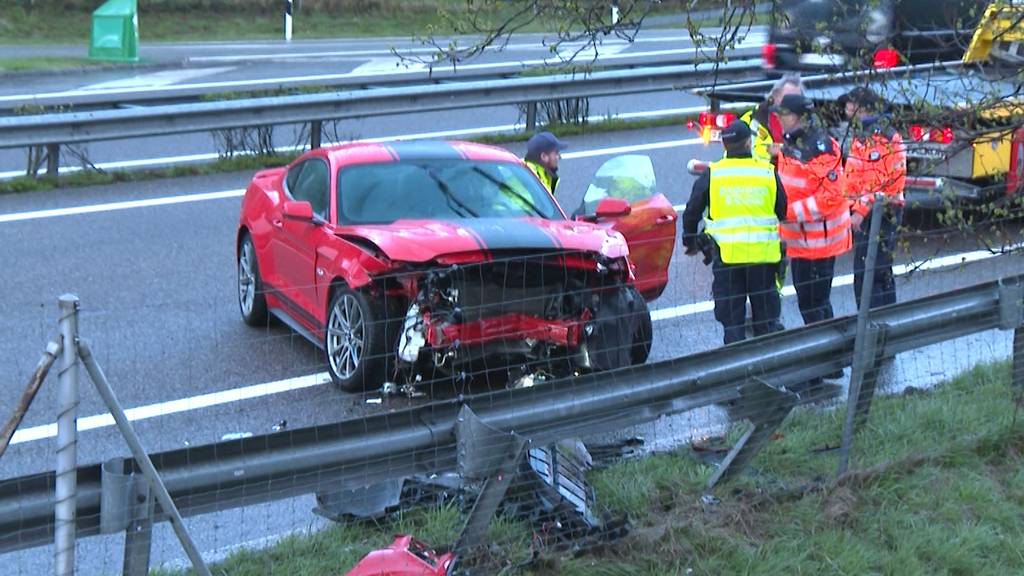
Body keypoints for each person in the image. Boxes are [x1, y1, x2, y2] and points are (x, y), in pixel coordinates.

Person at [683, 120, 788, 345]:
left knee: (733, 323)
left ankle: (736, 372)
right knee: (766, 322)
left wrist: (690, 240)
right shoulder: (767, 172)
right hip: (764, 259)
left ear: (725, 146)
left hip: (727, 259)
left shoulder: (714, 173)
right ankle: (767, 368)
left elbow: (692, 209)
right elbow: (782, 210)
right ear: (749, 142)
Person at [774, 94, 853, 327]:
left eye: (784, 114)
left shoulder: (821, 148)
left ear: (799, 117)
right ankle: (827, 354)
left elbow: (831, 196)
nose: (779, 119)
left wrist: (788, 212)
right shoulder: (792, 143)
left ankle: (830, 357)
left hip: (820, 243)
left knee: (815, 305)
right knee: (808, 304)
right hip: (800, 242)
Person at [842, 87, 906, 309]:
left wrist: (859, 212)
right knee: (879, 271)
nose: (846, 110)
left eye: (850, 105)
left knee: (869, 275)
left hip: (880, 213)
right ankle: (886, 324)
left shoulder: (880, 138)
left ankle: (873, 330)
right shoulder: (866, 135)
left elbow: (880, 183)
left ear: (864, 108)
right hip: (874, 211)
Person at [739, 73, 805, 163]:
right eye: (788, 98)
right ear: (775, 96)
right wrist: (776, 154)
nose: (793, 103)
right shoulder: (750, 122)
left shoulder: (808, 122)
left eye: (797, 99)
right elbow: (745, 156)